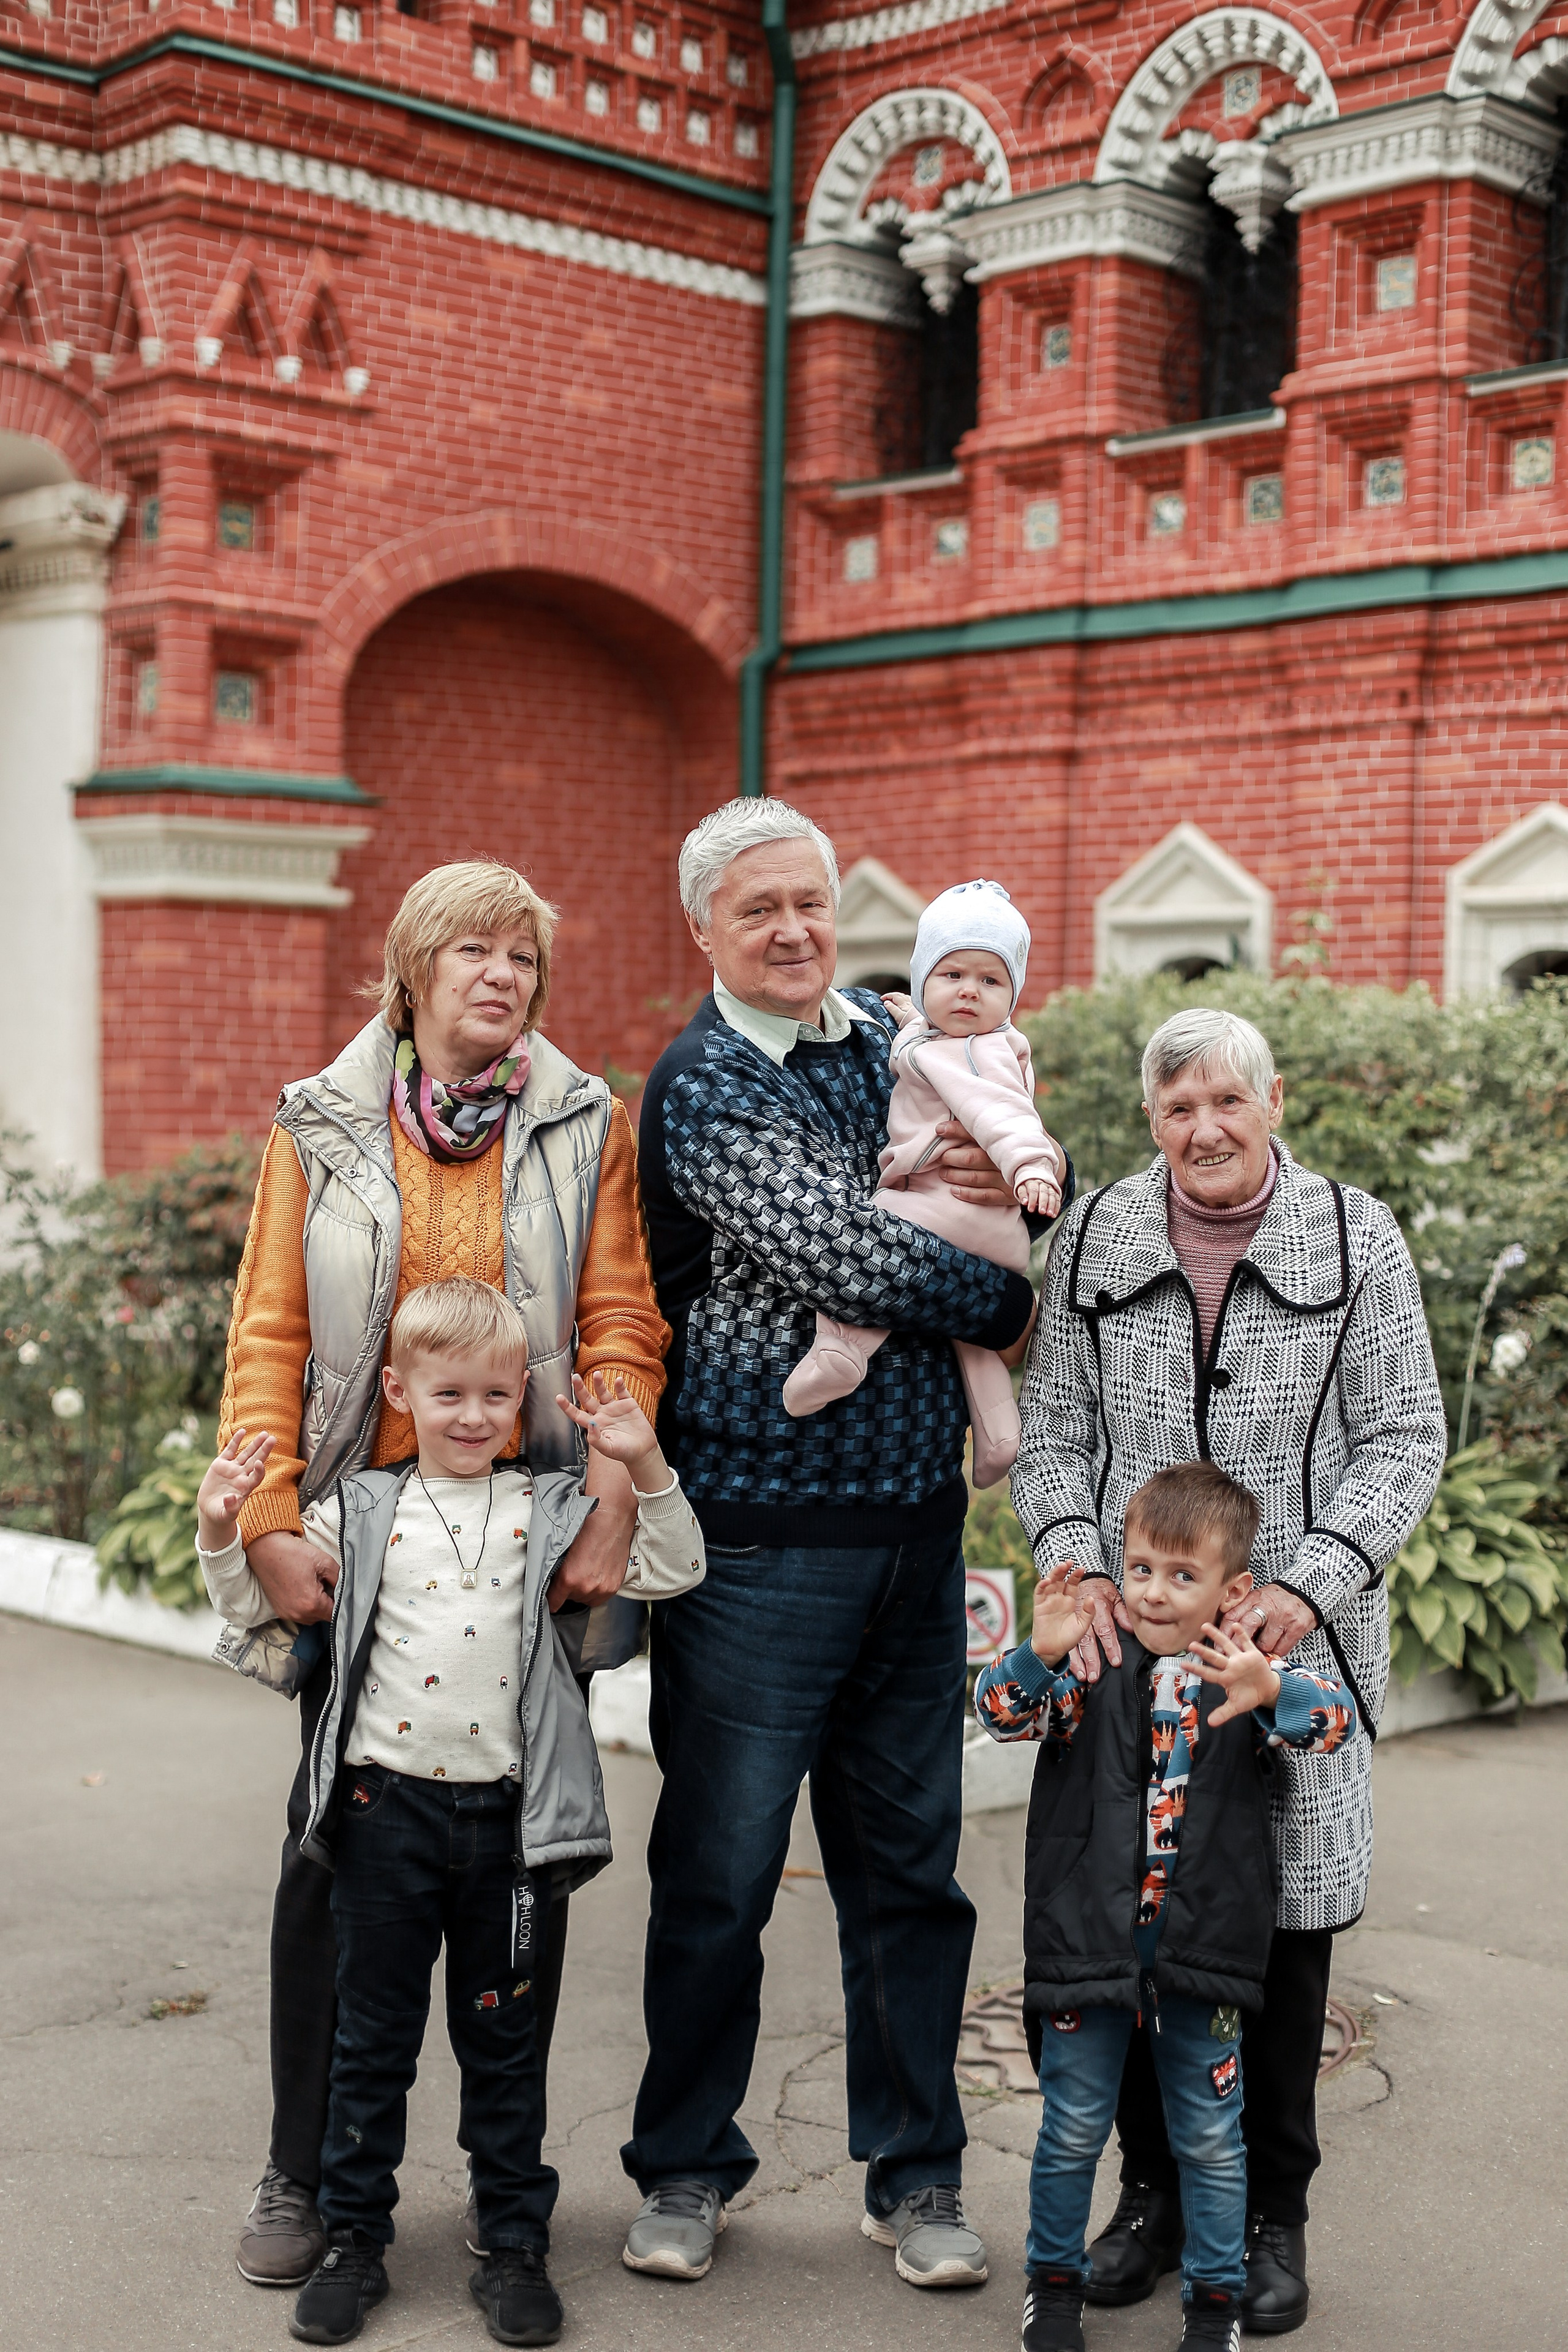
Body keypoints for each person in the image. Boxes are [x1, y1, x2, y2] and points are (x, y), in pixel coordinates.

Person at [620, 797, 1066, 2293]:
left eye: (809, 901)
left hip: (912, 1535)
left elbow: (1006, 1127)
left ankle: (916, 2174)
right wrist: (1004, 1297)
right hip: (754, 1550)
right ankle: (684, 2164)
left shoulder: (890, 1033)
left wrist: (1023, 1193)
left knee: (910, 1879)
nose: (793, 929)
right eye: (759, 909)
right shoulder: (701, 1085)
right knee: (719, 1876)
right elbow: (845, 1251)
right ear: (704, 928)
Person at [218, 859, 669, 2289]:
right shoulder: (319, 1119)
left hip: (527, 1539)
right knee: (332, 1860)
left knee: (517, 1861)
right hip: (364, 1544)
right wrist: (271, 1517)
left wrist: (610, 1501)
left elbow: (620, 1317)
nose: (500, 975)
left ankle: (502, 2189)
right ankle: (306, 2170)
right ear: (410, 974)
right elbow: (269, 1332)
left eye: (521, 956)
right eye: (472, 951)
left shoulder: (584, 1119)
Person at [1012, 1006, 1446, 2334]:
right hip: (1127, 1662)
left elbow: (1404, 1436)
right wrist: (1076, 1565)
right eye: (1176, 1108)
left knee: (1283, 1940)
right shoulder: (1098, 1233)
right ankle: (1149, 2197)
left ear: (1273, 1103)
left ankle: (1270, 2213)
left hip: (1288, 1661)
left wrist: (1306, 1587)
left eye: (1226, 1102)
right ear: (1150, 1120)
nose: (1203, 1130)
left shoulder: (1354, 1235)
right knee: (1127, 1937)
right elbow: (1051, 1431)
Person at [196, 1280, 704, 2347]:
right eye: (449, 1394)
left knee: (502, 2043)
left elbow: (673, 1566)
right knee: (372, 2045)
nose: (474, 1416)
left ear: (524, 1398)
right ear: (399, 1392)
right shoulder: (357, 1510)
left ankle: (514, 2244)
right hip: (383, 1819)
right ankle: (354, 2243)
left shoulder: (549, 1508)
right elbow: (256, 1612)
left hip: (508, 1831)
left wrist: (644, 1465)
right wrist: (219, 1529)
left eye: (497, 1395)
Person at [974, 1463, 1357, 2352]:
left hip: (1203, 1957)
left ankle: (1213, 2310)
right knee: (1071, 2131)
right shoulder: (1087, 1669)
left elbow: (1331, 1725)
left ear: (1234, 1591)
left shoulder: (1241, 1676)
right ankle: (1054, 2293)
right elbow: (998, 1714)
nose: (1153, 1592)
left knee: (1213, 2140)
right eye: (1141, 1568)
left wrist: (1275, 1690)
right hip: (1087, 1951)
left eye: (1184, 1576)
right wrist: (1039, 1651)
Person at [782, 878, 1065, 1487]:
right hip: (988, 1227)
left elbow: (1004, 1114)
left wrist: (1035, 1166)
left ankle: (842, 1348)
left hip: (951, 1208)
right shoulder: (947, 1039)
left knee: (878, 1220)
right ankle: (1000, 1437)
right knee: (971, 1339)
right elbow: (931, 1048)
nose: (968, 991)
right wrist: (913, 1020)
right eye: (950, 975)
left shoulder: (975, 1053)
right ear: (923, 981)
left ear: (1011, 996)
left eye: (990, 981)